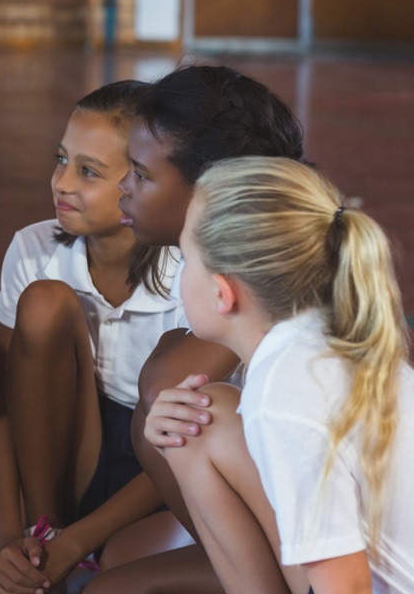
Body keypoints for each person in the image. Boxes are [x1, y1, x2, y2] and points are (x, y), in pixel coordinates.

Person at [81, 65, 306, 592]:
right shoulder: (218, 254)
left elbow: (166, 383)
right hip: (278, 518)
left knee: (180, 411)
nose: (123, 186)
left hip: (328, 552)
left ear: (207, 191)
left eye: (140, 173)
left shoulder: (255, 273)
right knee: (118, 562)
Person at [147, 156, 413, 593]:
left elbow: (344, 586)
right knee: (201, 418)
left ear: (222, 293)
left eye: (185, 257)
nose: (180, 272)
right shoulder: (316, 341)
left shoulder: (286, 391)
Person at [0, 81, 184, 593]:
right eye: (61, 159)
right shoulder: (32, 249)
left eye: (88, 171)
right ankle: (45, 533)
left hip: (164, 473)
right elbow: (5, 407)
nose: (62, 182)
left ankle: (82, 549)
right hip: (75, 448)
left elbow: (186, 438)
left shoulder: (190, 274)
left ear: (141, 179)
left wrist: (80, 545)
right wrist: (10, 541)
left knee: (120, 572)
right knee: (45, 302)